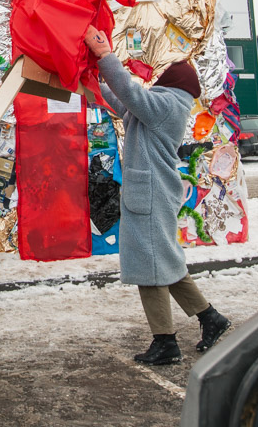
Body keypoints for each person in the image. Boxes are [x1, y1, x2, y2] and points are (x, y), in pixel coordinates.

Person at [84, 25, 232, 365]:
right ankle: (210, 318)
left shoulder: (167, 105)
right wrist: (93, 86)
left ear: (172, 83)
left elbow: (134, 97)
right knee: (163, 260)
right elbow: (124, 103)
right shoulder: (163, 106)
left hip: (149, 193)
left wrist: (105, 56)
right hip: (152, 191)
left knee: (148, 267)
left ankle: (165, 342)